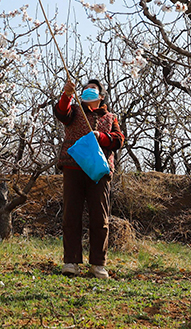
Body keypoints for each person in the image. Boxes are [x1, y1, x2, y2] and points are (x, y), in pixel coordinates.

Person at [54, 78, 124, 279]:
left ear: (101, 96)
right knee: (71, 214)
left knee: (100, 217)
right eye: (85, 89)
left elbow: (118, 140)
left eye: (93, 89)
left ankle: (98, 264)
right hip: (73, 166)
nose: (88, 92)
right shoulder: (74, 111)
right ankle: (71, 261)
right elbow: (61, 113)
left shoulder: (110, 117)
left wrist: (101, 137)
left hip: (99, 171)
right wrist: (67, 94)